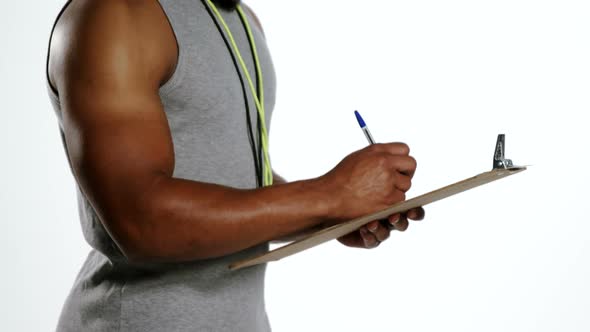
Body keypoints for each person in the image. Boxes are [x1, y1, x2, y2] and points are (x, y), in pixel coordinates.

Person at [46, 0, 425, 330]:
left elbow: (238, 180)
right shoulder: (115, 14)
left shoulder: (243, 20)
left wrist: (332, 215)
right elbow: (142, 222)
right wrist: (330, 194)